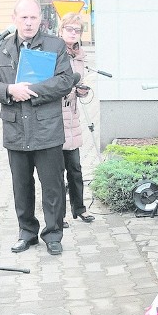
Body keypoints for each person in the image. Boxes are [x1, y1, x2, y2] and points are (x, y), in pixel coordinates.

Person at [0, 0, 75, 255]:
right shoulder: (1, 49)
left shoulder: (54, 46)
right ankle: (27, 232)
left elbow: (64, 81)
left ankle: (53, 233)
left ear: (40, 20)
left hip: (46, 129)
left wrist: (31, 91)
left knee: (53, 185)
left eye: (33, 17)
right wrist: (10, 90)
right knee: (21, 186)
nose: (28, 22)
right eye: (23, 17)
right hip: (15, 131)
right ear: (14, 19)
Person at [59, 13, 95, 226]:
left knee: (75, 168)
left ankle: (79, 208)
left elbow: (78, 79)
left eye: (77, 30)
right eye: (69, 29)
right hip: (54, 118)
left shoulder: (80, 55)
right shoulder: (53, 52)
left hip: (72, 116)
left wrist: (81, 90)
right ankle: (58, 215)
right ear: (61, 30)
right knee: (55, 172)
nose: (73, 33)